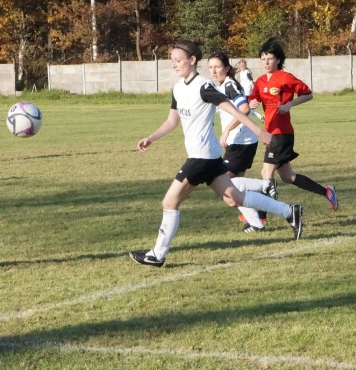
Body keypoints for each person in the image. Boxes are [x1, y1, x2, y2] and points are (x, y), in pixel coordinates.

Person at [128, 40, 304, 268]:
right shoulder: (179, 88)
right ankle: (289, 211)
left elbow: (238, 111)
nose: (174, 64)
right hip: (208, 157)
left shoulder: (204, 87)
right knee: (234, 198)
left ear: (192, 60)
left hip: (201, 158)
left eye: (178, 60)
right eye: (172, 60)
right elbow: (172, 121)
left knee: (169, 202)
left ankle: (157, 255)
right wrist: (151, 138)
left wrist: (260, 132)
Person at [248, 38, 338, 214]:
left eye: (270, 58)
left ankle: (261, 218)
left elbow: (308, 94)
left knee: (266, 173)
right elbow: (253, 99)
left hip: (281, 133)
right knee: (288, 177)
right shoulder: (260, 81)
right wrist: (251, 103)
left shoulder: (285, 77)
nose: (266, 62)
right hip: (270, 132)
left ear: (278, 60)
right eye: (263, 59)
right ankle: (327, 192)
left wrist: (289, 104)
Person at [208, 51, 276, 233]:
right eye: (211, 67)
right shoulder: (221, 85)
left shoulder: (229, 85)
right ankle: (256, 222)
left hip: (241, 142)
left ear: (226, 68)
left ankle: (265, 186)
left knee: (224, 184)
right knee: (235, 187)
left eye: (217, 67)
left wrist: (227, 131)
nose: (213, 71)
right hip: (241, 142)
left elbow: (244, 109)